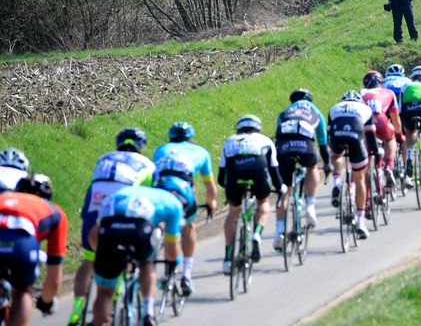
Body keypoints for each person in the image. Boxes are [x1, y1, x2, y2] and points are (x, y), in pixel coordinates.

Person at [68, 128, 155, 326]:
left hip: (95, 205)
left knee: (89, 261)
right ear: (141, 146)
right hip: (121, 208)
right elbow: (148, 200)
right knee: (129, 251)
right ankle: (116, 297)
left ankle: (76, 312)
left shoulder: (103, 158)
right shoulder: (147, 165)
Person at [90, 185, 182, 326]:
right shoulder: (174, 204)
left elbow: (93, 237)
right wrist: (173, 263)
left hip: (109, 228)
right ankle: (148, 313)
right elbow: (171, 251)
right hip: (139, 229)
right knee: (146, 264)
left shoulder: (124, 192)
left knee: (104, 293)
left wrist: (106, 257)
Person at [152, 121, 217, 296]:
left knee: (160, 224)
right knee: (189, 225)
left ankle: (154, 247)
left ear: (170, 138)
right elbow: (210, 188)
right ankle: (186, 275)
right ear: (191, 139)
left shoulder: (161, 149)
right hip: (183, 193)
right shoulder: (201, 152)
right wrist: (211, 203)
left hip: (159, 191)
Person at [219, 115, 285, 274]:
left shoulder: (229, 141)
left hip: (235, 173)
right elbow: (274, 171)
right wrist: (279, 187)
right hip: (257, 169)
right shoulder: (265, 141)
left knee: (233, 212)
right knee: (263, 202)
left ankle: (228, 258)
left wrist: (230, 190)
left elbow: (221, 177)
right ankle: (256, 234)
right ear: (258, 128)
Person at [0, 174, 66, 325]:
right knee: (22, 291)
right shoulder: (54, 211)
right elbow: (54, 278)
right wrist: (45, 301)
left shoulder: (4, 198)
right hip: (21, 246)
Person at [273, 89, 330, 251]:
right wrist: (326, 164)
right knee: (312, 167)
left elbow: (279, 137)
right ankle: (310, 206)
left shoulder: (284, 113)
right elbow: (323, 143)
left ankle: (279, 232)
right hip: (305, 145)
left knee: (285, 192)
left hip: (283, 148)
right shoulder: (315, 111)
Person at [328, 91, 378, 239]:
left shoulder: (334, 108)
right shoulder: (365, 109)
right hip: (356, 133)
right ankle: (360, 221)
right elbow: (370, 135)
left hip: (337, 132)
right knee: (360, 177)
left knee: (336, 156)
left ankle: (337, 182)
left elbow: (329, 133)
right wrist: (375, 152)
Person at [361, 72, 403, 185]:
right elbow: (396, 119)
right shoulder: (389, 92)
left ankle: (368, 195)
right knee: (390, 138)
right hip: (380, 119)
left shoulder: (360, 93)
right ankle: (389, 165)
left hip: (363, 122)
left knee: (367, 153)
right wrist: (399, 135)